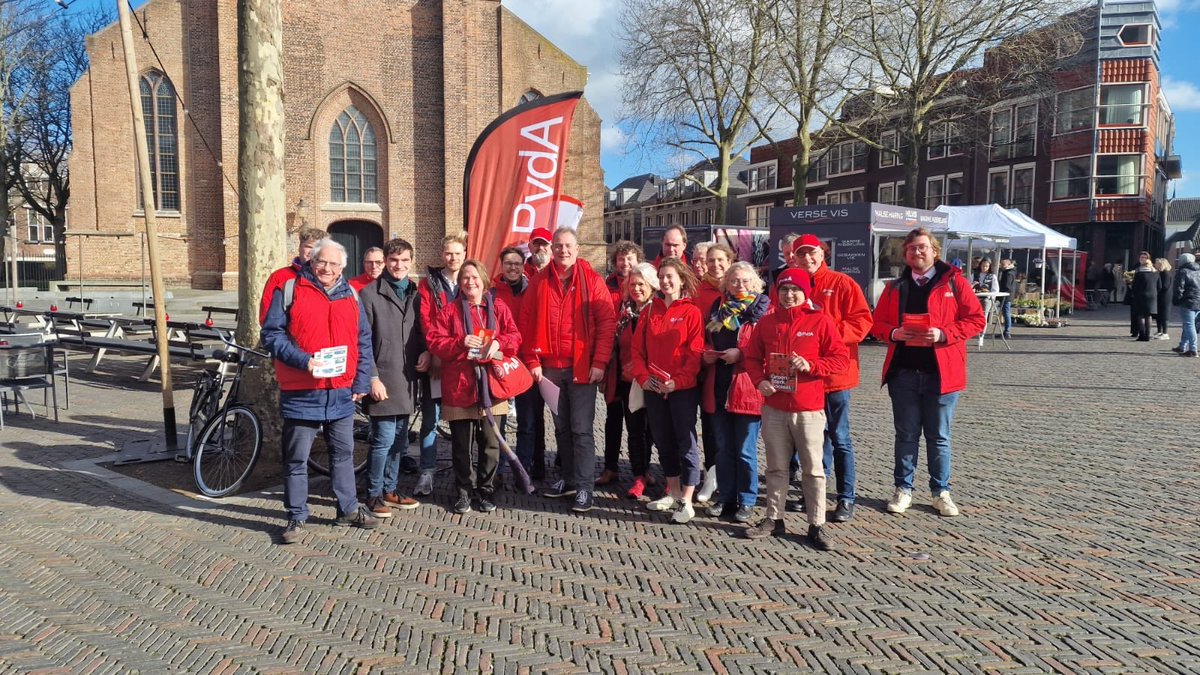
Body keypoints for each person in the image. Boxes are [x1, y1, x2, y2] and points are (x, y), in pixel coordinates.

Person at [261, 238, 378, 544]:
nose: (327, 268)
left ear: (342, 267)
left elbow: (363, 340)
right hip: (303, 390)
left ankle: (348, 508)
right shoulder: (289, 290)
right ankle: (296, 516)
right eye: (321, 262)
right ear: (311, 262)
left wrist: (361, 380)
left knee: (343, 453)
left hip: (340, 391)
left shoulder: (351, 294)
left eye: (333, 263)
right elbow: (271, 335)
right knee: (297, 458)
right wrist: (304, 361)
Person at [870, 228, 985, 518]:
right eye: (911, 248)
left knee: (939, 436)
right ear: (905, 254)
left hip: (942, 374)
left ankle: (940, 492)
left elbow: (976, 320)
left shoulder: (954, 282)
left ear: (935, 251)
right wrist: (893, 333)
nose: (917, 252)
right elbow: (876, 324)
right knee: (905, 435)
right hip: (904, 374)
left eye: (922, 247)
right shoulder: (895, 287)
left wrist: (944, 333)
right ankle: (903, 489)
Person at [742, 269, 848, 550]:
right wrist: (759, 381)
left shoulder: (820, 321)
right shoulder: (767, 323)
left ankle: (817, 524)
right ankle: (773, 519)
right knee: (776, 467)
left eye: (795, 290)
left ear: (805, 292)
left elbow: (840, 359)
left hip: (808, 409)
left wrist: (812, 366)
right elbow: (751, 358)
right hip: (774, 407)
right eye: (784, 289)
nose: (789, 295)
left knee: (813, 469)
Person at [521, 227, 617, 513]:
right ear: (552, 249)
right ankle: (569, 478)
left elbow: (607, 323)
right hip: (550, 369)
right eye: (558, 246)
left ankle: (585, 487)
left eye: (568, 246)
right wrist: (532, 361)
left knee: (581, 429)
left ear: (577, 249)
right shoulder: (539, 281)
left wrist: (599, 362)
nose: (563, 250)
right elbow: (526, 321)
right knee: (561, 428)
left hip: (582, 368)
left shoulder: (592, 280)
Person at [426, 260, 521, 514]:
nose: (470, 282)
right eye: (465, 278)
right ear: (460, 282)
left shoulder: (498, 307)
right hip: (460, 385)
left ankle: (486, 489)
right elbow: (435, 341)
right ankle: (464, 490)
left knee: (491, 444)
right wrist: (460, 342)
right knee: (462, 445)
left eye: (475, 277)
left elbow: (515, 336)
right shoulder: (450, 310)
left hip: (492, 386)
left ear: (484, 279)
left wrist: (499, 343)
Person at [792, 234, 873, 523]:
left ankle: (846, 497)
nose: (807, 259)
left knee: (839, 438)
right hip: (805, 377)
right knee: (812, 439)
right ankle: (814, 493)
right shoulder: (792, 286)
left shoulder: (842, 283)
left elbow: (862, 322)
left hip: (836, 376)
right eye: (801, 254)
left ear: (822, 253)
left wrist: (825, 334)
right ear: (794, 258)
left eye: (811, 253)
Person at [632, 258, 704, 524]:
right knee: (663, 441)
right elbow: (637, 351)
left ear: (681, 279)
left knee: (685, 441)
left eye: (670, 276)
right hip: (654, 388)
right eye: (661, 277)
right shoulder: (649, 311)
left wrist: (679, 381)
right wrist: (643, 377)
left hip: (681, 390)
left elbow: (695, 352)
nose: (665, 281)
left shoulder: (692, 312)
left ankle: (687, 498)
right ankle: (672, 492)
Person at [359, 239, 424, 518]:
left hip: (407, 379)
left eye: (404, 260)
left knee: (399, 440)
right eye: (394, 260)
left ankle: (390, 488)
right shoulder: (369, 294)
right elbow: (362, 342)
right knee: (383, 439)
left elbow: (420, 332)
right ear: (386, 261)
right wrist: (372, 377)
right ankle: (373, 494)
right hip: (383, 378)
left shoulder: (415, 293)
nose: (399, 265)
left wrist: (426, 353)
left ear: (411, 261)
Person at [701, 261, 768, 523]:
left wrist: (741, 354)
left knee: (745, 450)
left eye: (745, 280)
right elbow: (707, 337)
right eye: (734, 280)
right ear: (726, 283)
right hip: (719, 385)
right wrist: (708, 352)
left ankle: (747, 500)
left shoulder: (763, 310)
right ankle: (726, 497)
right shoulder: (717, 308)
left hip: (746, 386)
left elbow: (767, 348)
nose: (740, 285)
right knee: (723, 448)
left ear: (755, 283)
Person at [412, 233, 467, 495]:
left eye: (457, 253)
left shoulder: (470, 279)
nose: (453, 258)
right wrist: (434, 351)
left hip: (464, 362)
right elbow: (426, 320)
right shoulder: (429, 283)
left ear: (464, 254)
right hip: (438, 358)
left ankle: (464, 471)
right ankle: (427, 469)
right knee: (431, 419)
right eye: (448, 253)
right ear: (442, 254)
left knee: (464, 420)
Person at [610, 262, 659, 499]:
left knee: (656, 430)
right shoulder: (625, 311)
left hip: (651, 378)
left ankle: (664, 474)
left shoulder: (657, 311)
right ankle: (639, 474)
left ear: (652, 285)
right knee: (635, 430)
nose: (636, 289)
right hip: (628, 380)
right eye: (632, 285)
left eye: (641, 284)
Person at [598, 241, 645, 487]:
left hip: (636, 367)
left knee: (639, 422)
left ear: (638, 261)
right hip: (614, 364)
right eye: (621, 259)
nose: (625, 263)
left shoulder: (645, 287)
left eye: (630, 259)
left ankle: (642, 470)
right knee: (612, 419)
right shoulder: (607, 286)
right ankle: (610, 467)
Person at [693, 243, 733, 503]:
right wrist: (705, 351)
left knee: (736, 428)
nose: (715, 265)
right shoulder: (698, 292)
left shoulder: (740, 288)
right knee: (710, 424)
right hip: (708, 369)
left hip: (738, 370)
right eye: (710, 261)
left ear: (729, 262)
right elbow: (694, 329)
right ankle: (711, 475)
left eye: (720, 260)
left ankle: (731, 479)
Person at [491, 246, 536, 476]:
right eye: (508, 263)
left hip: (525, 363)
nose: (513, 267)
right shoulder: (492, 294)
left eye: (517, 263)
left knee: (526, 421)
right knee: (498, 421)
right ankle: (497, 469)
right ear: (501, 265)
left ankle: (523, 467)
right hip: (500, 362)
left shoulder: (533, 291)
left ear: (523, 266)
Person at [522, 228, 552, 477]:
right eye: (536, 244)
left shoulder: (559, 274)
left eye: (545, 245)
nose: (540, 248)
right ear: (530, 246)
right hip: (529, 356)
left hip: (554, 356)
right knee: (532, 415)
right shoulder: (521, 274)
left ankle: (564, 461)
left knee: (562, 415)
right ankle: (536, 462)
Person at [259, 227, 328, 325]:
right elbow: (266, 316)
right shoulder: (279, 277)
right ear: (299, 247)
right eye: (308, 247)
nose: (312, 252)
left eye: (317, 248)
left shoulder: (329, 278)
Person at [1172, 252, 1200, 357]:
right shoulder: (1198, 271)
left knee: (1189, 325)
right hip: (1198, 300)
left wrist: (1176, 300)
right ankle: (1182, 346)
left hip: (1188, 301)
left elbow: (1179, 288)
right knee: (1188, 324)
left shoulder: (1183, 271)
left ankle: (1193, 349)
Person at [1130, 252, 1157, 342]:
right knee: (1148, 315)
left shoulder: (1138, 273)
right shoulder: (1155, 273)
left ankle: (1142, 335)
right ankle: (1148, 335)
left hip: (1140, 295)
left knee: (1140, 315)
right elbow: (1159, 286)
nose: (1142, 259)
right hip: (1152, 296)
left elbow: (1134, 287)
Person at [1153, 258, 1173, 340]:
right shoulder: (1160, 273)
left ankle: (1165, 333)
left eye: (1157, 263)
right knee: (1158, 314)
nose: (1155, 265)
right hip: (1160, 296)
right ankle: (1159, 331)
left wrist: (1156, 287)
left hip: (1165, 297)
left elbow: (1165, 286)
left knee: (1164, 314)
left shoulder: (1166, 273)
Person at [998, 259, 1017, 339]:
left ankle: (1007, 331)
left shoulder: (1008, 273)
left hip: (1006, 296)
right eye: (1001, 264)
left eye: (1003, 264)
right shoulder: (1009, 272)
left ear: (1008, 265)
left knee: (1006, 313)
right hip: (1007, 295)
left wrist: (1001, 291)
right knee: (1006, 313)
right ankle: (1006, 331)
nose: (1001, 266)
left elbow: (1007, 286)